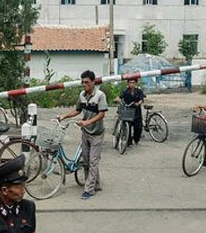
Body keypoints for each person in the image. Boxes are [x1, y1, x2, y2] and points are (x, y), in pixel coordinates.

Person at [58, 70, 108, 200]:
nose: (84, 84)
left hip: (97, 133)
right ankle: (94, 183)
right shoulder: (82, 95)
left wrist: (88, 122)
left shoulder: (100, 95)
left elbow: (102, 113)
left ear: (93, 82)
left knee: (93, 161)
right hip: (85, 133)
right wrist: (65, 116)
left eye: (87, 82)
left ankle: (89, 189)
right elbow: (77, 110)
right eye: (82, 82)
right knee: (86, 161)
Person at [115, 79, 145, 146]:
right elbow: (119, 96)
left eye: (133, 82)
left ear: (136, 83)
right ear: (128, 83)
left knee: (138, 127)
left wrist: (138, 103)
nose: (132, 84)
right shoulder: (125, 91)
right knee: (127, 126)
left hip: (137, 111)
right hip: (128, 111)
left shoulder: (139, 91)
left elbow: (141, 99)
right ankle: (128, 141)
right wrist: (117, 99)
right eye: (130, 82)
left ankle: (136, 140)